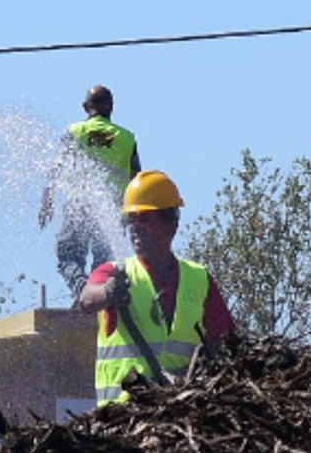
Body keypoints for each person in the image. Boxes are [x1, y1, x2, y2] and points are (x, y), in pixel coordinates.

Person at [77, 169, 238, 405]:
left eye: (144, 218)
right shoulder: (114, 272)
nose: (134, 226)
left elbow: (224, 345)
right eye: (131, 219)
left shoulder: (199, 279)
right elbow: (87, 300)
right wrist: (108, 292)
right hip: (121, 418)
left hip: (182, 415)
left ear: (171, 224)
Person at [38, 85, 140, 293]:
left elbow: (56, 167)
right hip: (114, 210)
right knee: (104, 264)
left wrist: (47, 201)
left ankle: (84, 292)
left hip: (80, 206)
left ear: (86, 107)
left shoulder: (75, 132)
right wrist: (136, 216)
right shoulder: (127, 138)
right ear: (111, 107)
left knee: (68, 257)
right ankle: (96, 296)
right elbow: (137, 179)